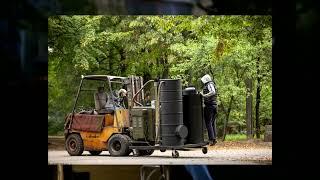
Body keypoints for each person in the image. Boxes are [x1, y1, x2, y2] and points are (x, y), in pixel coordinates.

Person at [200, 74, 218, 146]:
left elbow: (213, 92)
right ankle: (214, 139)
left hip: (210, 106)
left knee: (208, 122)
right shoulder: (210, 84)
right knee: (212, 123)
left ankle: (211, 139)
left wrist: (204, 95)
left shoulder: (209, 84)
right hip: (214, 106)